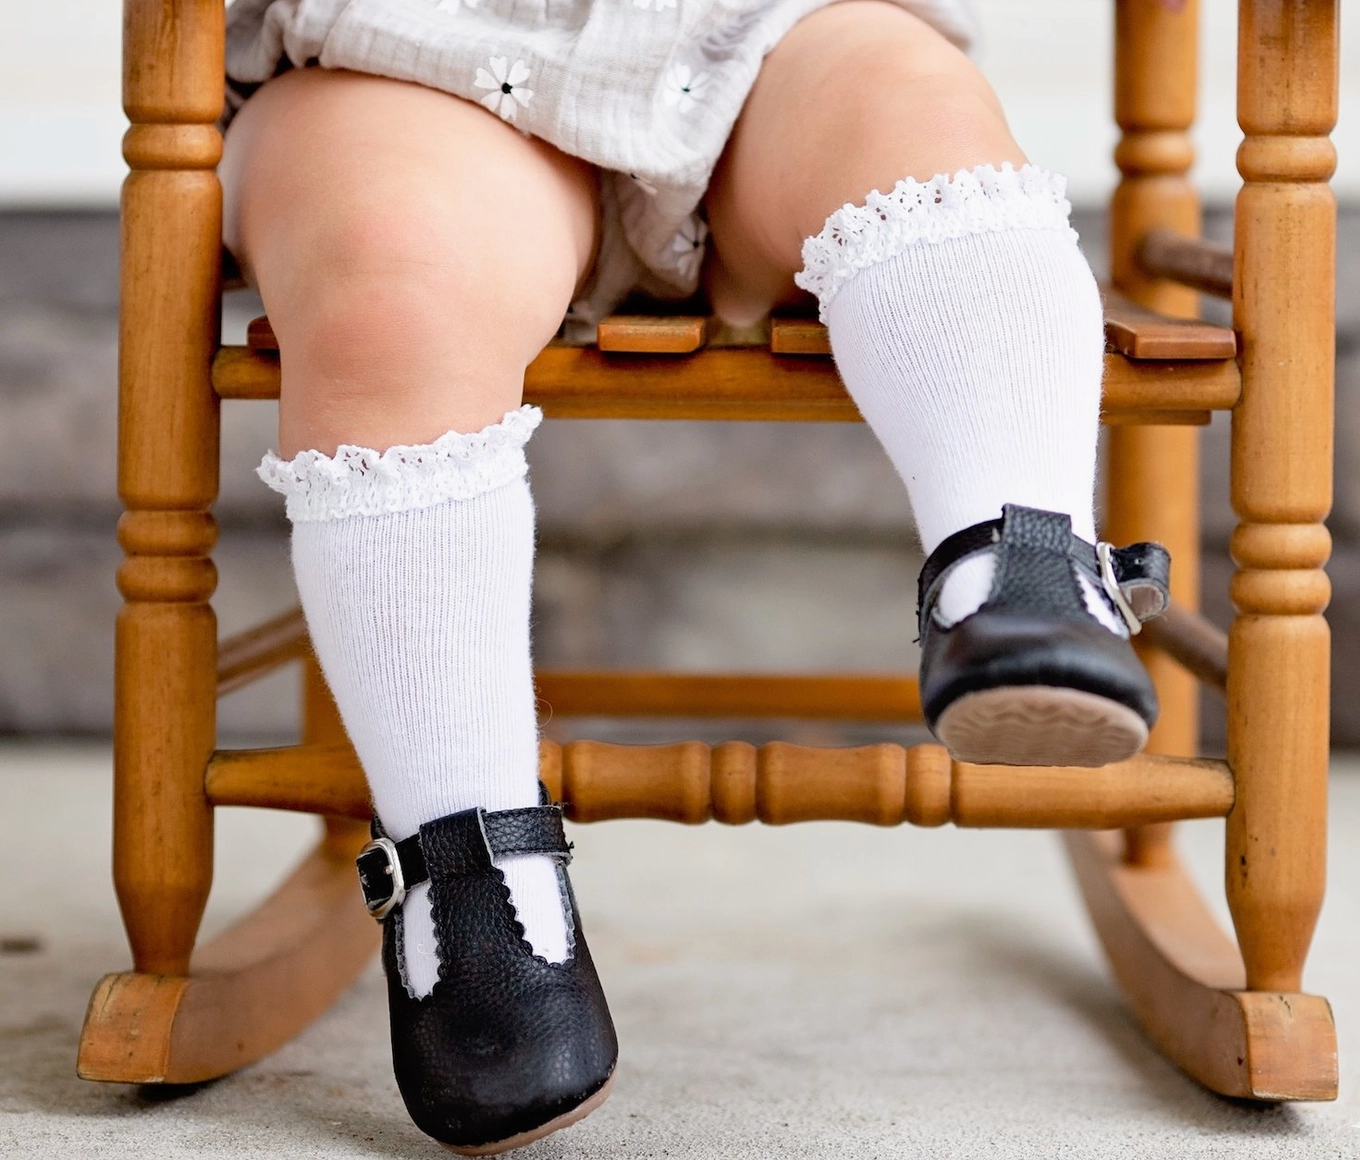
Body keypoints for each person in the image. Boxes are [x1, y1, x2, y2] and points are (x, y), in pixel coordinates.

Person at [218, 0, 1170, 1151]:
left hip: (766, 33)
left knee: (911, 120)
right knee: (389, 279)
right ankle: (473, 878)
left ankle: (1015, 565)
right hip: (410, 48)